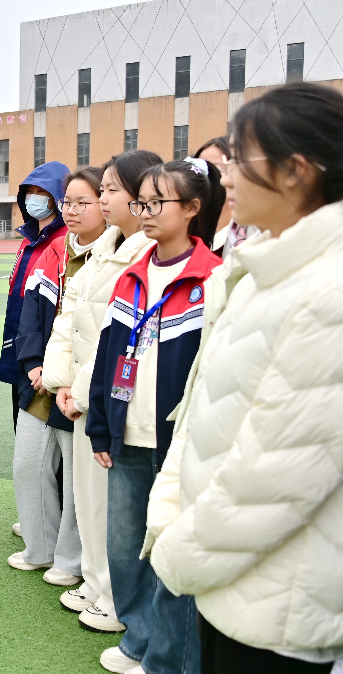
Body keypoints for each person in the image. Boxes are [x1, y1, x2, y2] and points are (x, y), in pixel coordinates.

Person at [145, 82, 343, 674]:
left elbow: (277, 475)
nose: (224, 174)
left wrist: (179, 550)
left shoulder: (327, 293)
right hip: (231, 579)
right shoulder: (265, 268)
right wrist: (172, 509)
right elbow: (203, 408)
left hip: (277, 604)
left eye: (239, 157)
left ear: (296, 171)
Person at [86, 157, 224, 674]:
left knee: (170, 552)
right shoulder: (132, 275)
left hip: (180, 444)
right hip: (126, 433)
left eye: (156, 202)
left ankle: (169, 658)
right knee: (125, 549)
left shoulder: (213, 278)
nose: (144, 212)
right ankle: (138, 640)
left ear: (192, 208)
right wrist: (101, 425)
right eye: (141, 202)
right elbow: (108, 354)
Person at [41, 150, 163, 634]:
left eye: (112, 189)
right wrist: (61, 383)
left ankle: (116, 596)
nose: (105, 198)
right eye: (105, 188)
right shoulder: (102, 250)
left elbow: (119, 341)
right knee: (88, 498)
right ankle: (95, 583)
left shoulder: (146, 254)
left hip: (109, 396)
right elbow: (68, 320)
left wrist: (81, 391)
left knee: (116, 507)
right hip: (82, 393)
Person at [8, 167, 107, 584]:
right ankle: (40, 548)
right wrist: (35, 364)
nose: (72, 210)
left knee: (75, 478)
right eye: (68, 202)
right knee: (27, 464)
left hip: (79, 384)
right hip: (42, 379)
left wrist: (67, 378)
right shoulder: (53, 251)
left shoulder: (113, 256)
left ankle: (69, 561)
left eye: (83, 202)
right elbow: (31, 315)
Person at [0, 161, 70, 435]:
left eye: (42, 192)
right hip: (19, 343)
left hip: (46, 349)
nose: (34, 198)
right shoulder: (28, 239)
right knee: (22, 417)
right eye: (30, 191)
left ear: (58, 199)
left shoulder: (66, 240)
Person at [192, 136, 233, 254]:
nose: (207, 176)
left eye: (216, 168)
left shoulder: (246, 235)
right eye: (200, 169)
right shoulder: (186, 230)